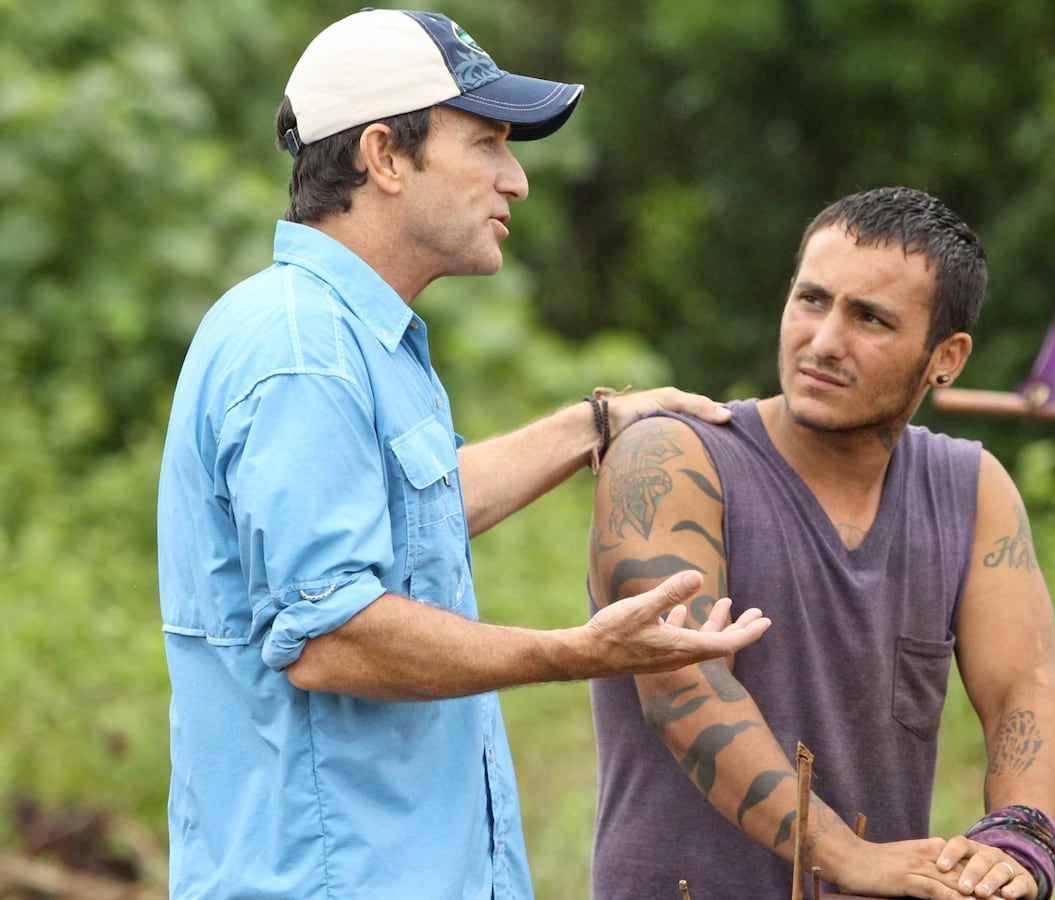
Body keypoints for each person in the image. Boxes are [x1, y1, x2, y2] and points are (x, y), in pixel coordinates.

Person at [156, 9, 769, 899]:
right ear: (385, 157)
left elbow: (414, 508)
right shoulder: (300, 351)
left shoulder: (358, 335)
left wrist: (593, 424)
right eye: (486, 143)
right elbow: (330, 637)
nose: (515, 181)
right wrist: (575, 651)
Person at [587, 187, 1055, 899]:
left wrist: (1019, 838)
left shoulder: (971, 489)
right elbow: (681, 685)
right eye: (812, 300)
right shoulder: (671, 460)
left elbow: (1021, 689)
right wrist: (844, 856)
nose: (823, 341)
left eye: (869, 318)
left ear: (947, 357)